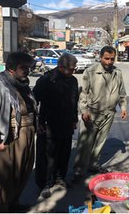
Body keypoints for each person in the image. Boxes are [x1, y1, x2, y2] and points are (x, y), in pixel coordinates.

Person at [0, 52, 37, 212]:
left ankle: (13, 204)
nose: (27, 70)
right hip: (7, 139)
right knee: (4, 178)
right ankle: (1, 208)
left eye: (28, 67)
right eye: (23, 67)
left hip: (26, 136)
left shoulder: (23, 86)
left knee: (22, 172)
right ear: (11, 68)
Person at [72, 46, 128, 182]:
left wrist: (124, 107)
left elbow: (122, 93)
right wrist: (84, 111)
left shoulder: (117, 73)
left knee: (100, 142)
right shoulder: (90, 72)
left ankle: (93, 165)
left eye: (112, 59)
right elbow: (83, 94)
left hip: (109, 114)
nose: (109, 62)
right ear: (100, 57)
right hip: (91, 114)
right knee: (85, 144)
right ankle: (78, 171)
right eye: (106, 59)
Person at [33, 53, 79, 198]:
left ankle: (60, 178)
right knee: (47, 156)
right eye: (71, 69)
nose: (73, 71)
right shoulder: (47, 80)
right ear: (61, 67)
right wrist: (37, 122)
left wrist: (74, 119)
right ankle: (45, 183)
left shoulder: (73, 81)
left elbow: (74, 102)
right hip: (48, 123)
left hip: (66, 123)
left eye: (74, 68)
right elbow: (33, 101)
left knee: (64, 153)